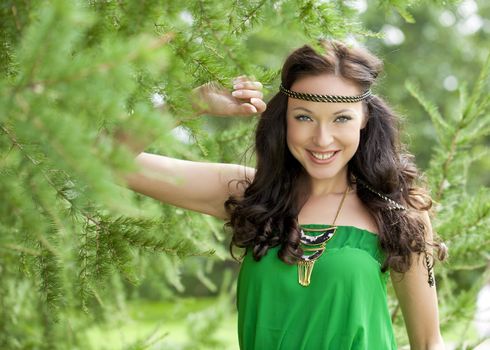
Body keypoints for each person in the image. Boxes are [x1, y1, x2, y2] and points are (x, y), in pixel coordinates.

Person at [123, 39, 447, 349]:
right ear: (284, 118)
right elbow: (106, 160)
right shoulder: (252, 195)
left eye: (341, 119)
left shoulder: (397, 214)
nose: (322, 139)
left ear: (364, 120)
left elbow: (429, 343)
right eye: (304, 116)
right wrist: (189, 104)